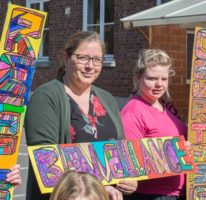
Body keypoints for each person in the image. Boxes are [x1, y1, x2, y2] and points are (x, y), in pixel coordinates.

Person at [25, 31, 137, 200]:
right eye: (83, 57)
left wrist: (129, 177)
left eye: (97, 59)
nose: (90, 66)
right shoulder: (46, 97)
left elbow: (120, 150)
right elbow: (46, 160)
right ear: (66, 58)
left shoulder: (107, 98)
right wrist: (100, 184)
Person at [121, 48, 206, 200]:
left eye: (164, 79)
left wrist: (202, 140)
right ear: (138, 78)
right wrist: (178, 153)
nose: (159, 84)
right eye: (152, 78)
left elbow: (184, 142)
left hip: (183, 191)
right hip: (154, 195)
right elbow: (132, 161)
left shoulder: (166, 107)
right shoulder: (133, 111)